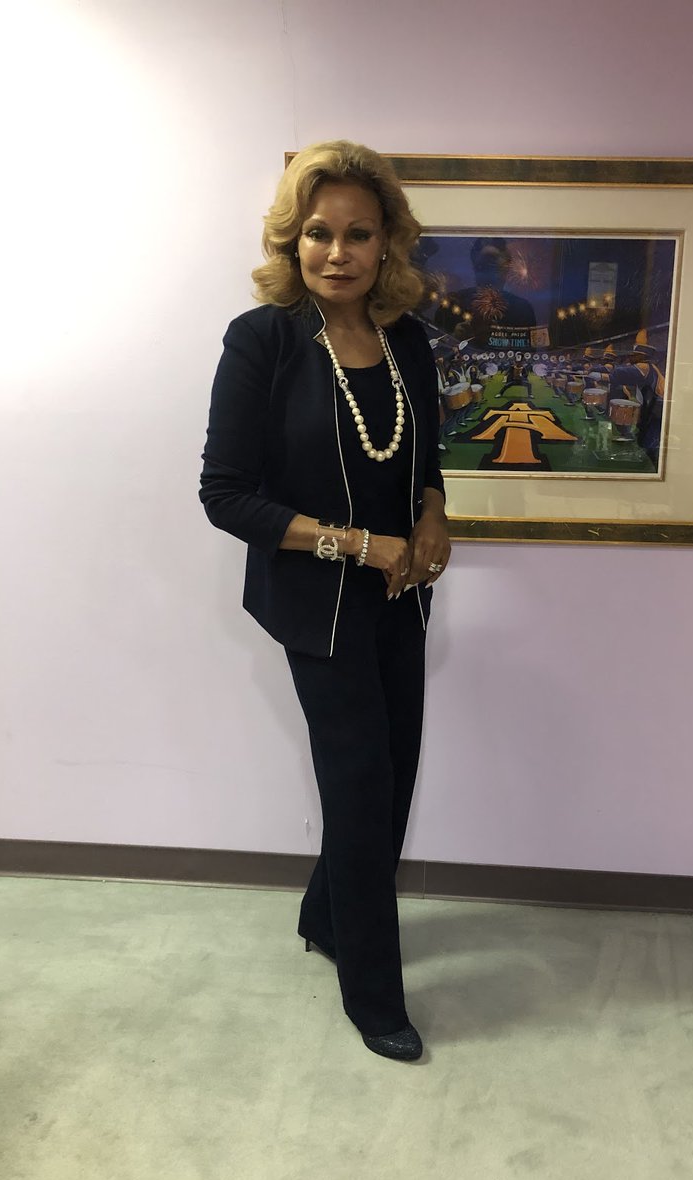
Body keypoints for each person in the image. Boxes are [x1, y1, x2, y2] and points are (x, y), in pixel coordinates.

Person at [199, 141, 450, 1062]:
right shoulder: (261, 339)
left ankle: (326, 916)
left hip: (400, 598)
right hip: (318, 606)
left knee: (394, 775)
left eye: (359, 234)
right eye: (318, 233)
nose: (337, 253)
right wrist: (357, 543)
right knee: (359, 788)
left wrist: (432, 518)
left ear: (388, 244)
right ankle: (374, 995)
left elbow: (427, 460)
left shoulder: (408, 339)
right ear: (291, 240)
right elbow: (226, 495)